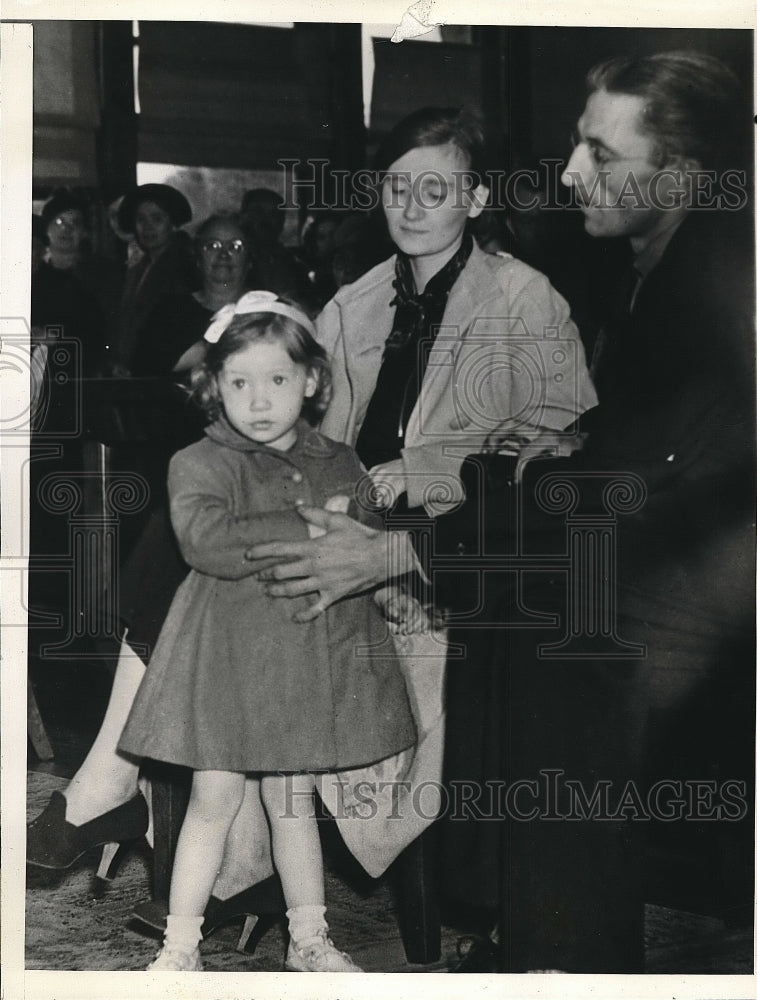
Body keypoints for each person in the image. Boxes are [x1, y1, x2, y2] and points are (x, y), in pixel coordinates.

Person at [27, 107, 596, 955]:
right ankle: (126, 784)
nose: (410, 204)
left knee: (195, 547)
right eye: (397, 185)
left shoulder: (525, 298)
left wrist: (418, 482)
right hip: (324, 509)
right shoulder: (356, 300)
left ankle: (114, 781)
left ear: (475, 197)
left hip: (444, 538)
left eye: (435, 187)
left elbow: (560, 450)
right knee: (184, 518)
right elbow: (289, 422)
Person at [439, 50, 754, 972]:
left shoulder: (705, 283)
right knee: (521, 599)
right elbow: (644, 453)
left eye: (601, 155)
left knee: (563, 636)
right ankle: (528, 919)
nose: (572, 173)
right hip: (685, 557)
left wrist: (406, 553)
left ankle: (565, 951)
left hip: (714, 596)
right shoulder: (658, 263)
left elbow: (633, 482)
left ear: (681, 176)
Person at [116, 292, 417, 972]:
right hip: (225, 661)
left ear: (310, 382)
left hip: (305, 661)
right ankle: (179, 947)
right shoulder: (196, 463)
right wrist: (312, 521)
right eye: (239, 382)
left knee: (292, 803)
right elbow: (207, 543)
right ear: (213, 387)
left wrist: (388, 585)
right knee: (213, 800)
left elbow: (365, 539)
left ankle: (309, 942)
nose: (258, 400)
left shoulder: (339, 460)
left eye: (277, 380)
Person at [129, 212, 252, 377]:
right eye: (212, 246)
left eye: (235, 247)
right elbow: (145, 371)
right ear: (198, 258)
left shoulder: (266, 310)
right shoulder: (169, 312)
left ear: (249, 260)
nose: (223, 255)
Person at [34, 189, 123, 375]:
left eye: (75, 223)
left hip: (85, 370)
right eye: (59, 222)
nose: (66, 229)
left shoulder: (103, 274)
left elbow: (104, 331)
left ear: (84, 233)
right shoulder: (36, 275)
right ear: (47, 229)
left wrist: (58, 337)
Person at [114, 183, 196, 375]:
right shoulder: (137, 270)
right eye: (141, 219)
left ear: (173, 223)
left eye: (157, 219)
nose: (148, 227)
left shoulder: (186, 268)